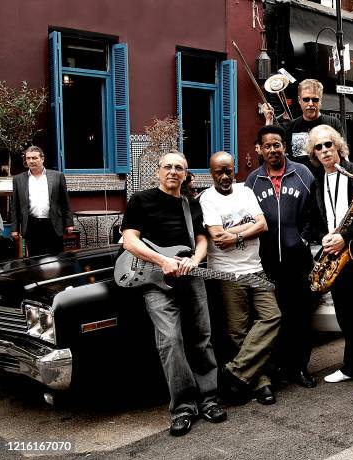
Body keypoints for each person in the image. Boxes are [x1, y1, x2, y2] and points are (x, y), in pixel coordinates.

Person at [121, 150, 226, 437]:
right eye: (168, 166)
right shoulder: (141, 200)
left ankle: (210, 399)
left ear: (185, 173)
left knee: (202, 337)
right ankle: (182, 408)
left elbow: (203, 240)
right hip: (156, 280)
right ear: (158, 171)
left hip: (190, 277)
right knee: (170, 341)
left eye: (179, 167)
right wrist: (162, 261)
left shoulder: (191, 204)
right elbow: (129, 240)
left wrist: (194, 259)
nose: (173, 171)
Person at [200, 152, 281, 406]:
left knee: (272, 316)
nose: (225, 176)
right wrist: (246, 229)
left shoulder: (245, 192)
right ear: (211, 173)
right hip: (227, 273)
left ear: (234, 170)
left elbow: (263, 225)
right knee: (238, 332)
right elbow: (217, 238)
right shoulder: (207, 199)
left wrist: (233, 235)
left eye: (228, 171)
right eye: (219, 172)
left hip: (254, 268)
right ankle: (261, 383)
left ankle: (233, 372)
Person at [307, 124, 353, 398]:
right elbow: (313, 221)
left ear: (338, 146)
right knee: (345, 315)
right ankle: (351, 366)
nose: (325, 150)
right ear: (314, 153)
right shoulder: (317, 181)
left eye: (329, 144)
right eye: (319, 147)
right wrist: (324, 237)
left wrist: (345, 235)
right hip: (334, 255)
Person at [245, 126, 319, 388]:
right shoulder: (252, 181)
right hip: (266, 262)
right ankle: (277, 367)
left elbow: (315, 213)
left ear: (284, 146)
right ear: (260, 150)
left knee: (301, 315)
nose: (273, 150)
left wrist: (303, 238)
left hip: (298, 260)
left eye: (277, 144)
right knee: (275, 316)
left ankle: (300, 367)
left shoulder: (303, 174)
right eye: (267, 146)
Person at [11, 146, 74, 256]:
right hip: (31, 225)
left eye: (34, 158)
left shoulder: (57, 176)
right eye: (28, 158)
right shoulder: (18, 179)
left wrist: (69, 223)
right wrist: (14, 228)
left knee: (56, 258)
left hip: (53, 223)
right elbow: (15, 206)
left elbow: (65, 201)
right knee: (35, 259)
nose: (31, 161)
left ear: (42, 159)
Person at [263, 79, 344, 163]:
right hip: (298, 175)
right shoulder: (291, 126)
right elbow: (270, 147)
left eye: (315, 99)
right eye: (306, 99)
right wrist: (269, 120)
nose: (310, 104)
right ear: (299, 100)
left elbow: (343, 153)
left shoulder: (333, 122)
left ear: (320, 100)